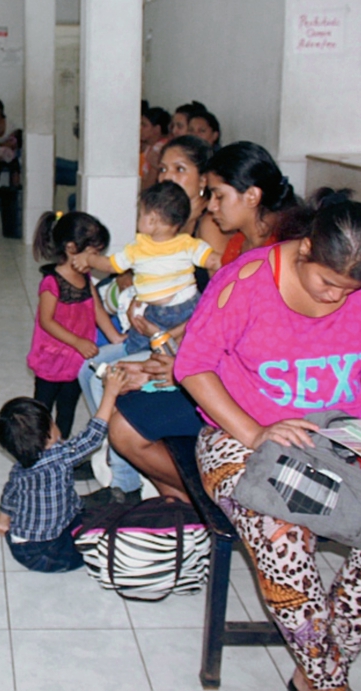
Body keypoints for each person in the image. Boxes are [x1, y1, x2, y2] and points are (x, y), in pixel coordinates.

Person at [177, 191, 361, 691]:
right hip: (240, 436)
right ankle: (330, 682)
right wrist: (257, 430)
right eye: (328, 282)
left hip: (334, 442)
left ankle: (314, 675)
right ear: (305, 247)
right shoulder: (246, 282)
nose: (336, 297)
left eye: (350, 290)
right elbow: (192, 367)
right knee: (281, 533)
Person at [90, 140, 296, 505]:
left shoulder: (283, 257)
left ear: (251, 196)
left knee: (126, 427)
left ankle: (209, 503)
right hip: (206, 369)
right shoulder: (236, 248)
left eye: (217, 195)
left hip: (250, 391)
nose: (211, 205)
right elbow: (210, 321)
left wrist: (178, 371)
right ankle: (183, 508)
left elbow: (263, 350)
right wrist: (173, 360)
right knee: (121, 397)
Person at [0, 364, 128, 572]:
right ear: (49, 435)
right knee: (96, 547)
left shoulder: (21, 468)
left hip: (21, 543)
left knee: (82, 520)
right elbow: (93, 436)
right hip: (47, 551)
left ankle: (79, 510)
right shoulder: (59, 458)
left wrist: (4, 519)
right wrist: (110, 392)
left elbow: (10, 494)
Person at [72, 181, 219, 356]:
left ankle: (138, 357)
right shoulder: (189, 244)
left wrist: (89, 258)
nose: (138, 219)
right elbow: (215, 261)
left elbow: (111, 265)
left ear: (152, 219)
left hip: (159, 312)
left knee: (137, 339)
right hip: (190, 303)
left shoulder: (138, 248)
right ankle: (174, 353)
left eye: (140, 214)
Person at [29, 211, 124, 440]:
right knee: (42, 408)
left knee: (67, 407)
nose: (95, 259)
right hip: (52, 359)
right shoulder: (51, 282)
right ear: (71, 248)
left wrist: (116, 339)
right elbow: (46, 320)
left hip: (76, 361)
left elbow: (97, 310)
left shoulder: (86, 277)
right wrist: (77, 341)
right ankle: (36, 449)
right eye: (92, 254)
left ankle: (61, 449)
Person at [140, 106, 171, 189]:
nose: (140, 128)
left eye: (144, 125)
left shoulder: (159, 149)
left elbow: (149, 184)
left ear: (157, 129)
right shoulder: (151, 146)